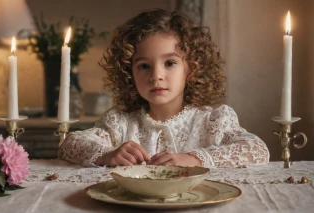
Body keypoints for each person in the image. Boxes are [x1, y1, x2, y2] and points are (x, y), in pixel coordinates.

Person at [59, 9, 270, 168]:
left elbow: (257, 150)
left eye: (169, 63)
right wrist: (107, 155)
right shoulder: (121, 123)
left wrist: (195, 158)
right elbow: (71, 144)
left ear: (191, 67)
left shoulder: (212, 122)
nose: (156, 76)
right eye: (144, 66)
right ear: (128, 72)